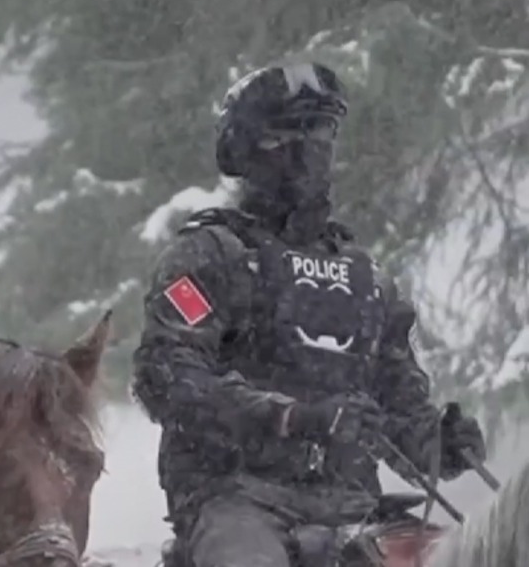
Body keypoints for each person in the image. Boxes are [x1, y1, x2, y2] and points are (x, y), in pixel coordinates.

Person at [130, 61, 487, 567]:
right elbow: (166, 377)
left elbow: (399, 405)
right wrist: (290, 418)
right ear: (244, 151)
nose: (306, 148)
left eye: (320, 129)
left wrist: (439, 446)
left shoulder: (367, 280)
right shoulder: (209, 256)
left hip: (357, 508)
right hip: (235, 501)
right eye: (284, 134)